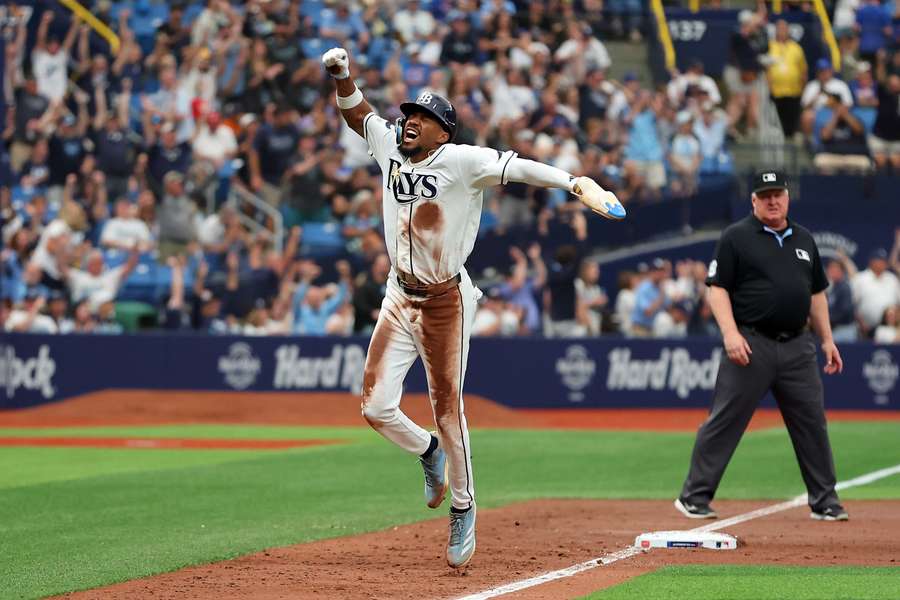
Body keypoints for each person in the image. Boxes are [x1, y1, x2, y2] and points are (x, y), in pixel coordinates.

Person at [322, 46, 621, 568]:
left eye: (424, 118)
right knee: (374, 407)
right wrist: (343, 75)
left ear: (443, 132)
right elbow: (358, 114)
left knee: (447, 411)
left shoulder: (462, 161)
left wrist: (572, 182)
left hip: (445, 302)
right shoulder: (391, 147)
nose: (411, 121)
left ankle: (463, 506)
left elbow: (519, 168)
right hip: (399, 294)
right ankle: (427, 452)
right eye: (410, 114)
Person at [675, 170, 848, 523]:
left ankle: (825, 501)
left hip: (798, 345)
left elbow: (816, 294)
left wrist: (827, 339)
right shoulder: (736, 236)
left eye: (777, 194)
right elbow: (717, 288)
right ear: (753, 200)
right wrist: (730, 334)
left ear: (787, 197)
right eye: (765, 195)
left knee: (812, 424)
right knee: (725, 420)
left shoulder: (804, 239)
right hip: (751, 343)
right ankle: (694, 497)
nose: (772, 201)